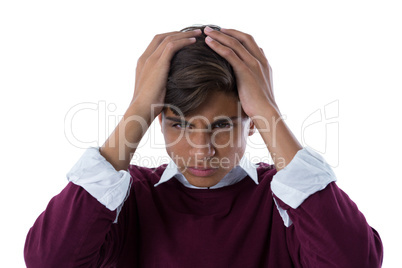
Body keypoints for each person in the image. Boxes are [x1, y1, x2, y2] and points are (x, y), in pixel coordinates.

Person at [24, 25, 383, 267]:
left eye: (223, 125)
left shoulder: (289, 205)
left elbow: (356, 260)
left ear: (254, 123)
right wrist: (137, 109)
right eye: (180, 124)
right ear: (157, 121)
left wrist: (267, 109)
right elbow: (49, 260)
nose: (201, 150)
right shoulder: (125, 197)